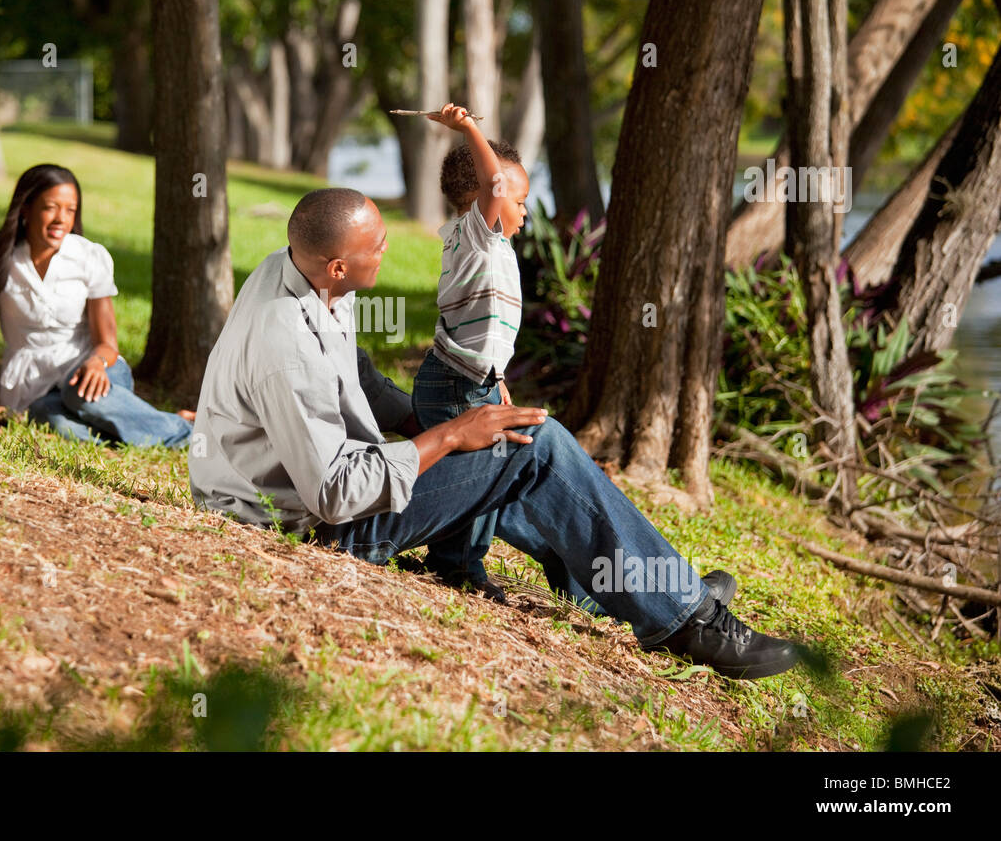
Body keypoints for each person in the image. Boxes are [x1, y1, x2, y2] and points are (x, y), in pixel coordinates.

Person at [188, 187, 799, 680]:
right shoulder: (286, 348)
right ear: (341, 263)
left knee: (506, 439)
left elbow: (353, 376)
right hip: (311, 525)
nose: (388, 246)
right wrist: (449, 437)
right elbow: (335, 495)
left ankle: (630, 588)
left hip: (322, 490)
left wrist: (423, 424)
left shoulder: (303, 272)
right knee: (538, 446)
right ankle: (688, 621)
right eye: (377, 244)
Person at [0, 163, 194, 448]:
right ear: (26, 209)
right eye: (51, 207)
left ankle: (194, 435)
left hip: (96, 371)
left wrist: (96, 362)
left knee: (76, 394)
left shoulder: (89, 257)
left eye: (70, 210)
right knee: (53, 420)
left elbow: (108, 344)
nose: (61, 219)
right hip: (34, 386)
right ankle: (163, 426)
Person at [410, 103, 529, 599]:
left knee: (480, 466)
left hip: (470, 375)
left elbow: (487, 329)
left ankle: (454, 559)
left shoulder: (485, 245)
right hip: (457, 382)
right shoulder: (477, 236)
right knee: (484, 467)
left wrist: (497, 379)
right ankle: (458, 567)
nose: (522, 210)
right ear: (484, 197)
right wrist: (467, 128)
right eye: (518, 201)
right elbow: (495, 187)